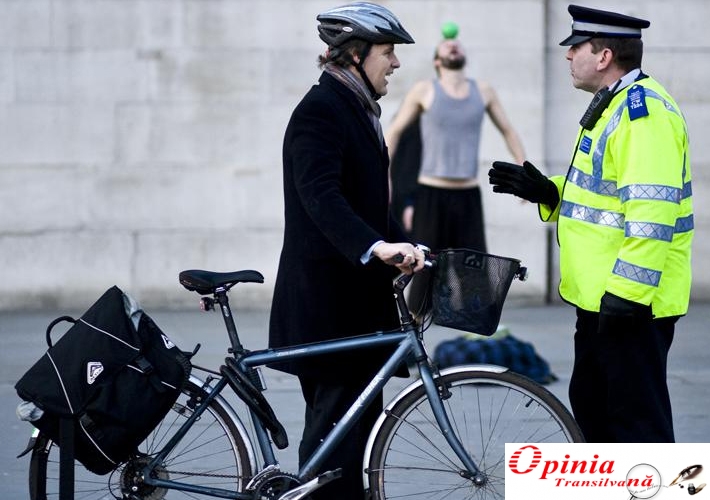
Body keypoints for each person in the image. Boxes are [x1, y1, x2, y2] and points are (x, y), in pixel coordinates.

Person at [489, 4, 694, 443]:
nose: (567, 55)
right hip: (603, 301)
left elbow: (651, 213)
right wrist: (549, 192)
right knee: (596, 415)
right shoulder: (613, 104)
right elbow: (603, 195)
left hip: (629, 304)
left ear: (603, 56)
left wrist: (627, 295)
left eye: (576, 47)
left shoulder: (643, 114)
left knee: (637, 428)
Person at [268, 3, 425, 498]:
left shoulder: (356, 108)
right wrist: (374, 247)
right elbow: (320, 196)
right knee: (334, 447)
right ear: (355, 55)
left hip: (355, 308)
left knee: (356, 442)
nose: (395, 63)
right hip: (328, 306)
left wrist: (404, 244)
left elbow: (367, 202)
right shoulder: (321, 110)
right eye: (388, 51)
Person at [384, 28, 526, 314]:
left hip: (467, 195)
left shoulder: (483, 91)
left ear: (464, 55)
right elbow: (395, 132)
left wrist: (524, 171)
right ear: (437, 60)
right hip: (431, 193)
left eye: (456, 44)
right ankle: (414, 325)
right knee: (423, 267)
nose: (452, 46)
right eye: (446, 45)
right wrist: (383, 176)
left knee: (474, 267)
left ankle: (476, 326)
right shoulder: (424, 90)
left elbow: (509, 131)